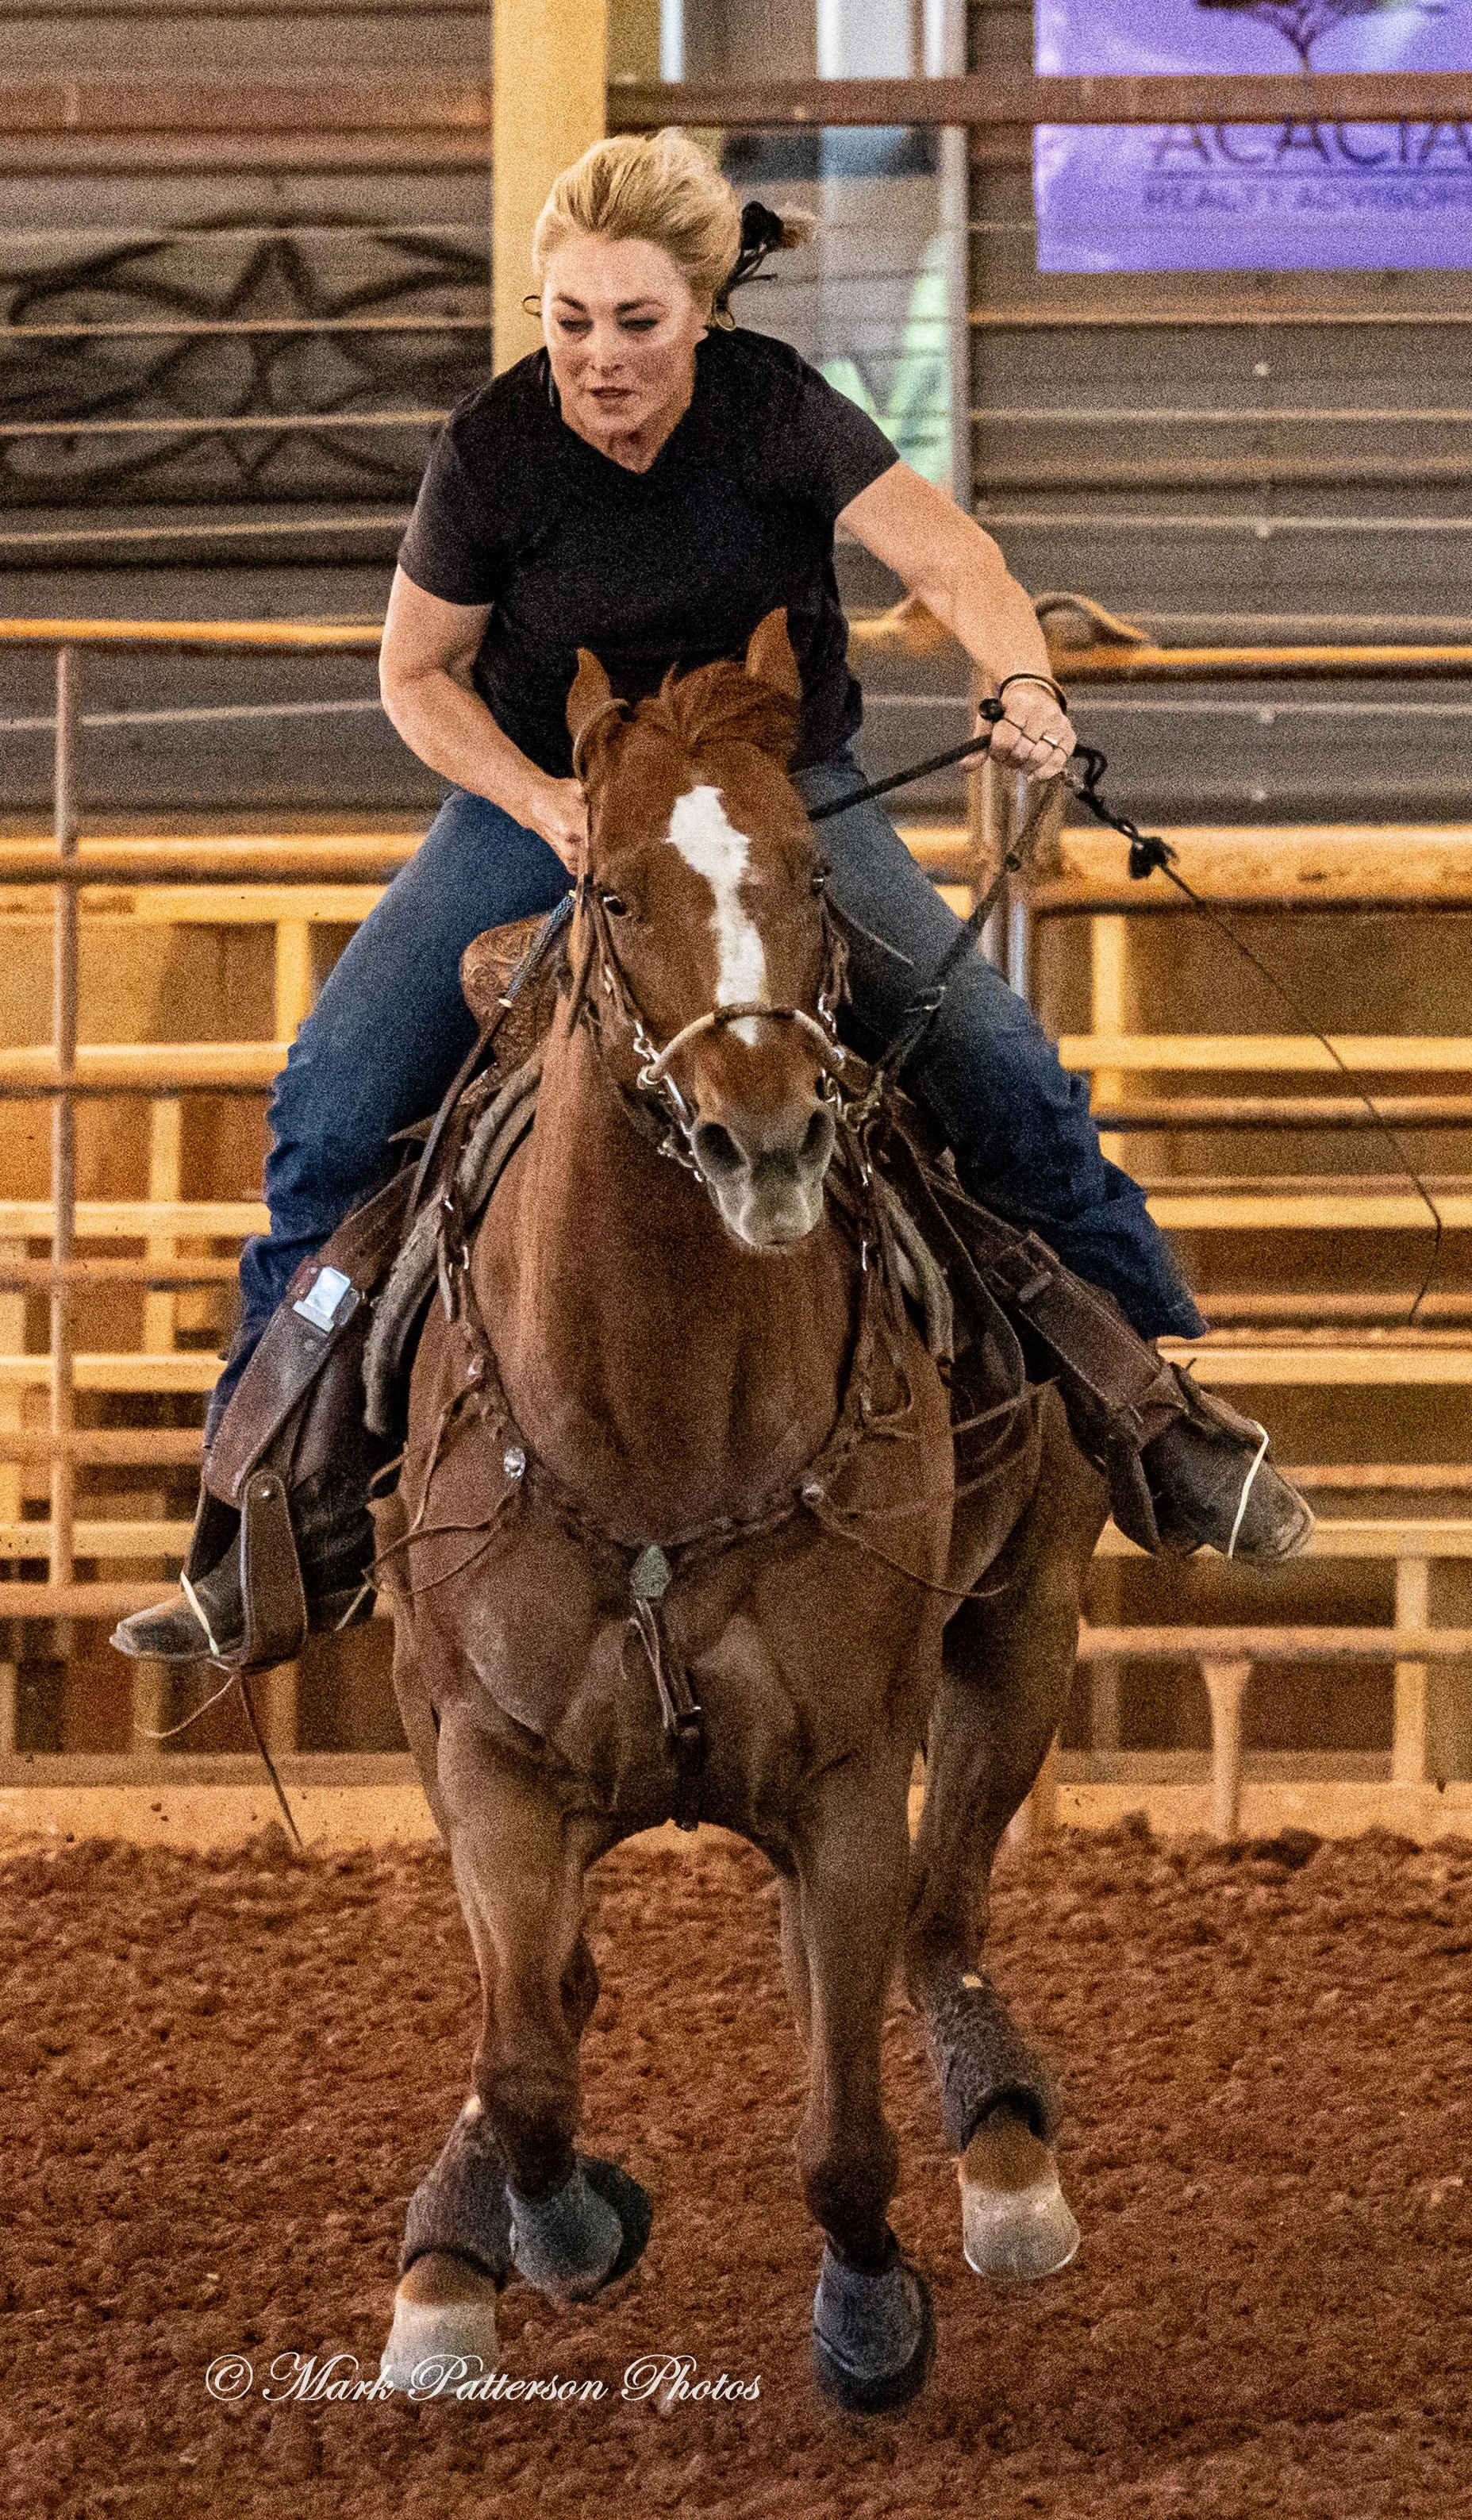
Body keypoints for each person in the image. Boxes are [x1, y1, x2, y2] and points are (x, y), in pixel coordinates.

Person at [113, 129, 1309, 1665]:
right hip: (560, 805)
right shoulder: (493, 451)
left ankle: (1158, 1421)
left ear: (704, 317)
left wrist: (1019, 679)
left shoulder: (779, 412)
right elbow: (416, 678)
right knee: (334, 1099)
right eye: (568, 322)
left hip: (775, 795)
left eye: (636, 324)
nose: (598, 360)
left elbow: (952, 554)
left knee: (996, 1060)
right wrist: (544, 801)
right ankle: (263, 1513)